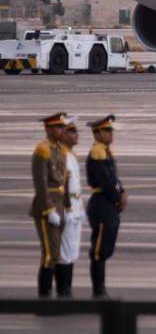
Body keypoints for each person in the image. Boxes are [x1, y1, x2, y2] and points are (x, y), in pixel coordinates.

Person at [86, 114, 126, 298]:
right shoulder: (98, 153)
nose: (111, 134)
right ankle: (98, 290)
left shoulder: (106, 152)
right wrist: (118, 196)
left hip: (108, 203)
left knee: (106, 247)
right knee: (99, 250)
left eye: (111, 130)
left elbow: (114, 179)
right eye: (107, 131)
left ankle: (100, 289)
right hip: (102, 203)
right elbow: (106, 181)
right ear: (98, 133)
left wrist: (122, 192)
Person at [31, 112, 68, 298]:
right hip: (47, 208)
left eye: (62, 127)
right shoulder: (42, 150)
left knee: (56, 253)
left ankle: (57, 296)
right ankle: (44, 298)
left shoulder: (59, 149)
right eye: (59, 127)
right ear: (49, 129)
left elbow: (64, 181)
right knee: (49, 254)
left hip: (59, 206)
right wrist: (49, 209)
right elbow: (41, 183)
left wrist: (67, 208)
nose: (63, 130)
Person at [58, 118, 84, 297]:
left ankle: (67, 290)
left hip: (75, 209)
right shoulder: (60, 156)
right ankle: (63, 293)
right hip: (66, 209)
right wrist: (65, 208)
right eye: (72, 132)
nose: (77, 135)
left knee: (72, 250)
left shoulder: (72, 156)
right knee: (63, 252)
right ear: (63, 134)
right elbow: (61, 186)